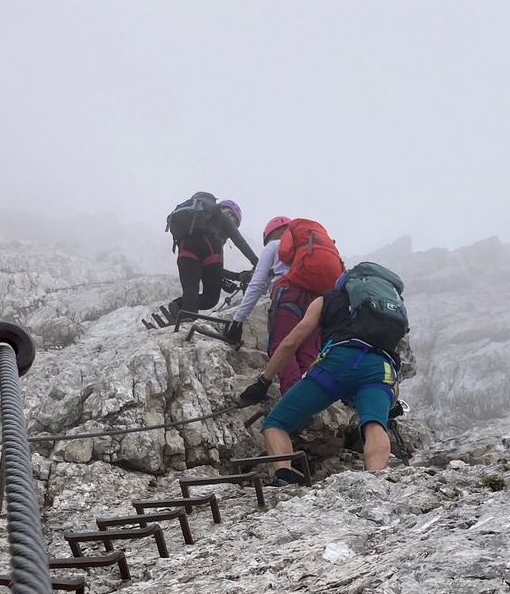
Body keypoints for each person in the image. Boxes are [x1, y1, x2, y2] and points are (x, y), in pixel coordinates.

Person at [236, 262, 409, 481]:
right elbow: (393, 357)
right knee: (374, 424)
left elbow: (292, 342)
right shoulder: (388, 310)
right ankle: (374, 481)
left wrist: (264, 381)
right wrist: (390, 404)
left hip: (339, 363)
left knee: (276, 423)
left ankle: (285, 478)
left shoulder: (327, 299)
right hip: (381, 369)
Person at [224, 216, 322, 393]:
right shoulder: (311, 248)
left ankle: (292, 408)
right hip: (317, 300)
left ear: (271, 234)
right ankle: (307, 406)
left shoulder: (273, 246)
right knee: (306, 356)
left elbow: (258, 283)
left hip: (287, 296)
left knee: (282, 347)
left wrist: (238, 321)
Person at [162, 194, 258, 323]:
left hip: (185, 249)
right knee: (211, 298)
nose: (233, 226)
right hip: (210, 250)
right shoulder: (221, 218)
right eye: (234, 223)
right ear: (229, 213)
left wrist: (232, 277)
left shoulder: (194, 224)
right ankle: (185, 317)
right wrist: (257, 263)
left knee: (190, 288)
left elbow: (206, 269)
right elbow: (239, 242)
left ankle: (183, 312)